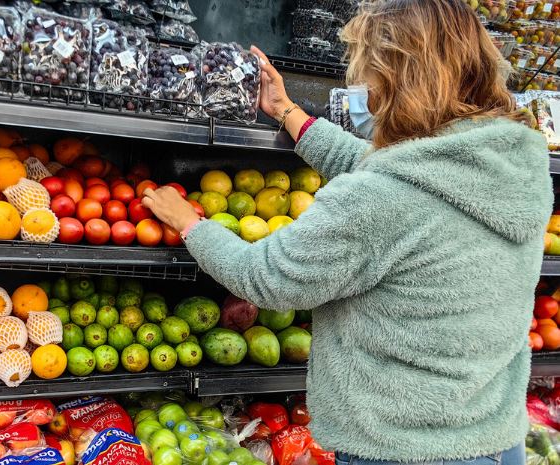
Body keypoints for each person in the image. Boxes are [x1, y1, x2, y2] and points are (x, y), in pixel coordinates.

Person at [141, 0, 553, 463]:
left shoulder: (384, 199)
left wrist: (187, 221)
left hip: (404, 449)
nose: (364, 89)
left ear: (397, 80)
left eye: (368, 74)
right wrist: (287, 112)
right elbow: (402, 178)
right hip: (495, 440)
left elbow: (264, 277)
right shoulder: (515, 168)